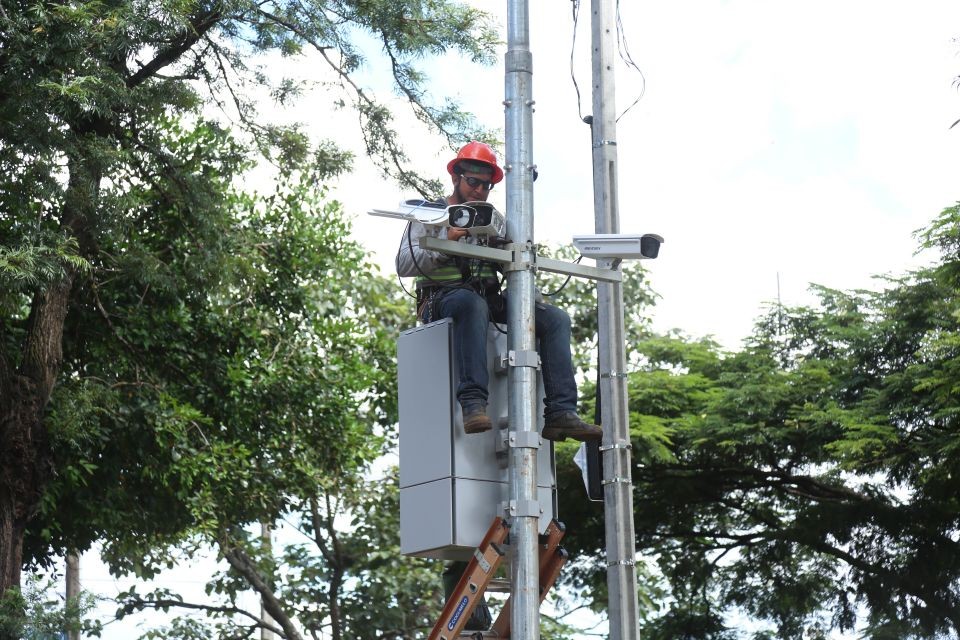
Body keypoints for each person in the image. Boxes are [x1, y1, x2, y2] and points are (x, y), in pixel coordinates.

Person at [395, 141, 602, 442]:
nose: (479, 190)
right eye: (473, 182)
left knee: (555, 319)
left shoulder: (494, 221)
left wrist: (514, 265)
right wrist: (446, 243)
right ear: (455, 178)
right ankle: (473, 403)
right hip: (442, 298)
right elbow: (404, 263)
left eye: (486, 185)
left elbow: (515, 268)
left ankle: (560, 412)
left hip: (486, 300)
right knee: (470, 303)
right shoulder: (430, 214)